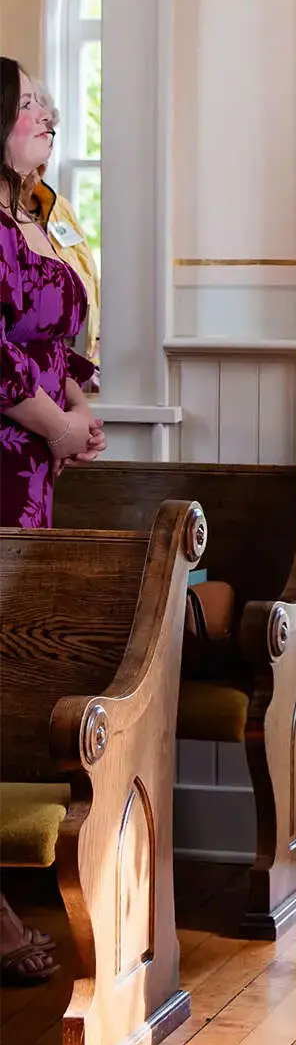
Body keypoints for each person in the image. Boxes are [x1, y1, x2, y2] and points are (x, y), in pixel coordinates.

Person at [0, 57, 105, 986]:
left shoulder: (32, 217)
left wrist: (70, 395)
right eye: (29, 103)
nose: (49, 114)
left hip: (27, 471)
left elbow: (42, 337)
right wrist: (53, 419)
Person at [24, 81, 100, 365]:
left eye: (49, 135)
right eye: (38, 135)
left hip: (73, 366)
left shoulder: (60, 208)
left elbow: (88, 277)